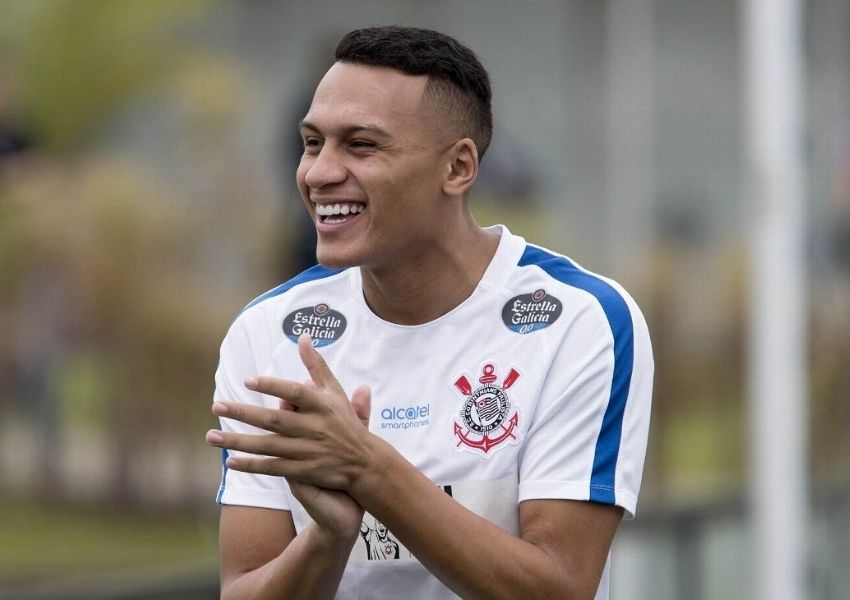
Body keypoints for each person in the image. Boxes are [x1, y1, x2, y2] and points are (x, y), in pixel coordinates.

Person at [206, 26, 653, 599]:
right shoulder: (268, 334)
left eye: (361, 145)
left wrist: (367, 469)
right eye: (313, 143)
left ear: (458, 168)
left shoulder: (580, 322)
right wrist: (327, 537)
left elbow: (559, 588)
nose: (319, 173)